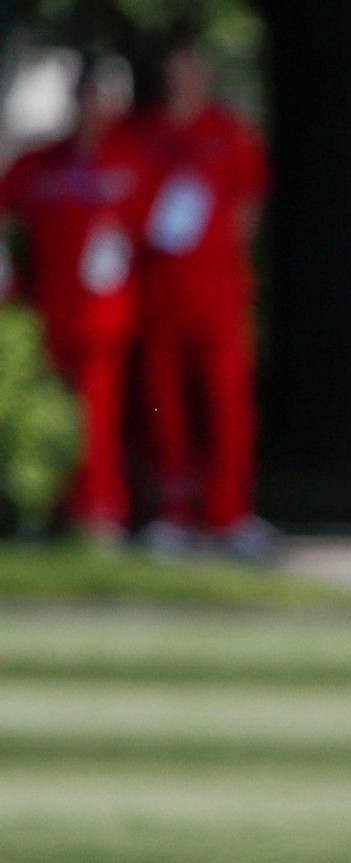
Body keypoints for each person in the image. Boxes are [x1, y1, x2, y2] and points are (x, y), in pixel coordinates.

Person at [131, 32, 270, 558]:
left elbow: (247, 209)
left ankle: (229, 512)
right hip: (159, 292)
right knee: (164, 403)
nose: (183, 78)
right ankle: (172, 511)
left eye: (192, 66)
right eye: (175, 66)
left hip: (218, 293)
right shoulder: (142, 135)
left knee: (227, 403)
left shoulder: (229, 134)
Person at [0, 55, 147, 540]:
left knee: (97, 415)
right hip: (47, 313)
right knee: (47, 414)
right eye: (82, 99)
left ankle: (98, 514)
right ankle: (41, 510)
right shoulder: (41, 164)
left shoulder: (129, 161)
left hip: (104, 317)